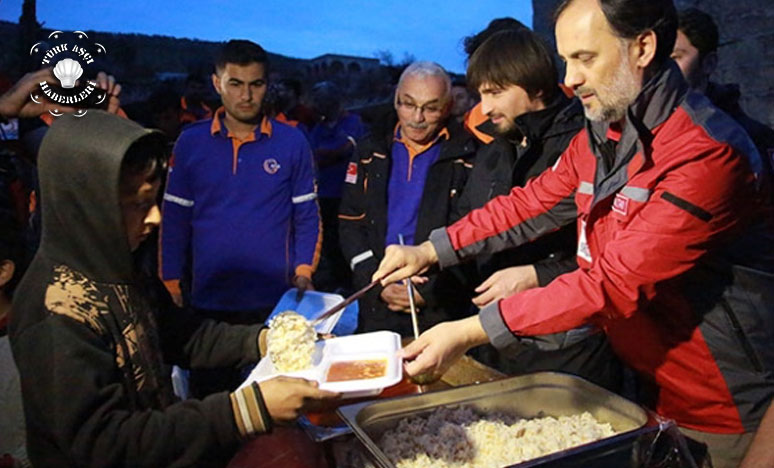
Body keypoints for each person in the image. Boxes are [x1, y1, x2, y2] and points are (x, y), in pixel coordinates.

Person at [373, 0, 774, 466]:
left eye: (585, 58)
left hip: (721, 402)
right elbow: (529, 204)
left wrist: (469, 331)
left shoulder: (704, 153)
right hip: (652, 381)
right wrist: (431, 249)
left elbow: (613, 284)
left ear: (642, 47)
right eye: (566, 59)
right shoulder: (604, 134)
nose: (569, 78)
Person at [9, 111, 338, 467]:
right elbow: (104, 442)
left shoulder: (121, 264)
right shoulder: (55, 309)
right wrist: (244, 411)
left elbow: (181, 336)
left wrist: (267, 342)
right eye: (137, 205)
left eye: (154, 201)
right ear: (85, 208)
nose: (155, 218)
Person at [455, 28, 622, 392]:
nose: (484, 109)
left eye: (495, 92)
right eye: (481, 94)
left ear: (535, 86)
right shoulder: (492, 152)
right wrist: (431, 263)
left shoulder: (587, 143)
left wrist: (536, 274)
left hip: (569, 349)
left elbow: (610, 260)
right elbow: (472, 223)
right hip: (496, 339)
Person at [160, 40, 321, 323]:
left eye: (256, 84)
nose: (246, 95)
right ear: (217, 83)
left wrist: (304, 272)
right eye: (235, 84)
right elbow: (174, 219)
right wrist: (170, 282)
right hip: (207, 301)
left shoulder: (293, 142)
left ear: (267, 85)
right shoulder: (190, 142)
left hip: (277, 302)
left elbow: (307, 215)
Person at [339, 61, 477, 337]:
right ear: (395, 99)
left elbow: (475, 232)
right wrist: (374, 281)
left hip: (442, 311)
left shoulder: (471, 157)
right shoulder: (369, 150)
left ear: (448, 107)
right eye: (408, 104)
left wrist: (432, 289)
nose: (417, 117)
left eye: (431, 108)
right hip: (377, 300)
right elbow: (350, 222)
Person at [672, 7, 774, 175]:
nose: (665, 68)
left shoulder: (752, 138)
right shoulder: (639, 130)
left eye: (676, 57)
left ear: (709, 63)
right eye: (660, 59)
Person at [306, 81, 366, 292]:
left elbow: (345, 150)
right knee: (329, 242)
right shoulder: (318, 129)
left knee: (349, 240)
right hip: (325, 194)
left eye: (321, 100)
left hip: (348, 194)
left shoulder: (353, 123)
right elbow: (313, 157)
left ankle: (351, 283)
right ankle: (335, 282)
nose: (318, 105)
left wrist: (330, 154)